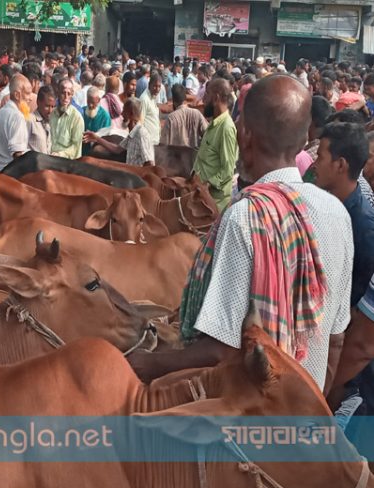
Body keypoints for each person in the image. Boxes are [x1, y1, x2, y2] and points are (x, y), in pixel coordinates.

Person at [128, 75, 353, 393]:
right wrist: (313, 403)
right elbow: (337, 338)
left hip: (246, 418)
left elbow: (221, 350)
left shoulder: (245, 218)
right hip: (304, 416)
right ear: (305, 140)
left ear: (244, 136)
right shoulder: (337, 214)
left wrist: (149, 364)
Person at [314, 122, 374, 305]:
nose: (314, 164)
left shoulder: (364, 227)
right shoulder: (319, 202)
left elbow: (354, 297)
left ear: (340, 165)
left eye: (320, 157)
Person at [192, 78, 239, 211]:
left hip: (213, 203)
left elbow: (227, 170)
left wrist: (206, 184)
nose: (203, 100)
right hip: (203, 196)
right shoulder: (214, 124)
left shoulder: (226, 128)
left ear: (216, 97)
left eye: (207, 95)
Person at [84, 98, 154, 167]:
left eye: (124, 111)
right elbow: (117, 149)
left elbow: (150, 163)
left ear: (131, 114)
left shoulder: (141, 134)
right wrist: (96, 138)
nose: (122, 114)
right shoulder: (132, 134)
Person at [0, 74, 31, 172]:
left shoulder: (2, 111)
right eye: (27, 93)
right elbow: (18, 154)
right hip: (12, 173)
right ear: (17, 95)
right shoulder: (17, 116)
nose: (30, 98)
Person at [160, 83, 208, 149]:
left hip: (177, 157)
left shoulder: (171, 118)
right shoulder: (196, 113)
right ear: (185, 98)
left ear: (173, 100)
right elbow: (207, 133)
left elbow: (163, 143)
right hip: (194, 156)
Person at [50, 78, 84, 160]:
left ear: (72, 94)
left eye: (69, 94)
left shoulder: (77, 117)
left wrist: (60, 154)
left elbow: (76, 147)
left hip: (67, 161)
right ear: (57, 93)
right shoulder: (51, 114)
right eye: (63, 93)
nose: (66, 97)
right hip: (49, 156)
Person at [82, 87, 110, 155]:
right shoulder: (81, 111)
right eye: (88, 102)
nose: (90, 105)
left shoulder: (104, 116)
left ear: (98, 100)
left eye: (93, 102)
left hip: (96, 154)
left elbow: (106, 138)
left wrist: (94, 138)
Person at [27, 85, 55, 154]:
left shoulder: (49, 122)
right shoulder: (29, 120)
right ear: (38, 102)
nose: (50, 111)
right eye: (47, 106)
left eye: (52, 106)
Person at [139, 72, 162, 145]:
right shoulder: (144, 99)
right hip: (148, 142)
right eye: (155, 86)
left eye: (159, 86)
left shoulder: (153, 97)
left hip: (155, 141)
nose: (157, 89)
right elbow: (140, 123)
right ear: (149, 85)